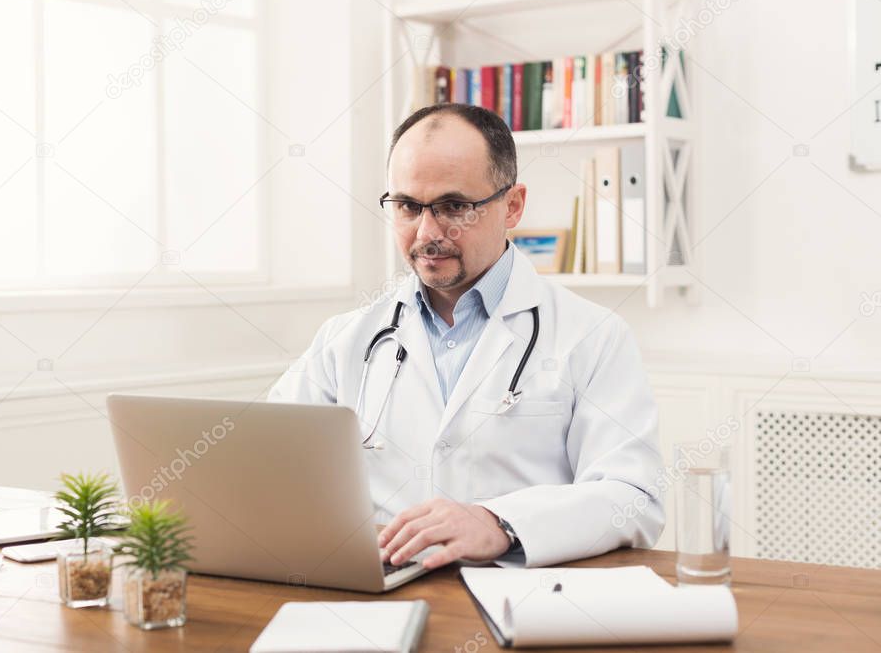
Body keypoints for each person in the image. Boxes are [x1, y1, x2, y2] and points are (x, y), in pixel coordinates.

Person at [268, 103, 664, 569]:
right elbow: (266, 462)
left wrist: (500, 523)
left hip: (521, 594)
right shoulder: (345, 339)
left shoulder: (593, 335)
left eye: (454, 206)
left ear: (512, 205)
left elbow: (632, 496)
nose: (428, 232)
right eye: (408, 207)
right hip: (381, 590)